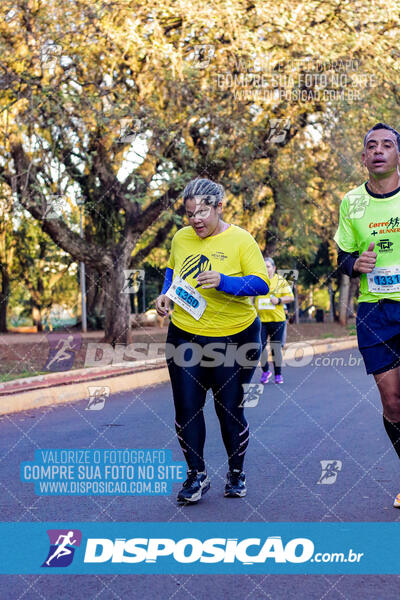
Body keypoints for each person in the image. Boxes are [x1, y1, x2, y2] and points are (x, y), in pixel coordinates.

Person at [155, 178, 269, 504]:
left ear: (220, 207)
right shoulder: (181, 238)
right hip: (186, 334)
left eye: (203, 212)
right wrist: (165, 295)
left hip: (235, 337)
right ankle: (196, 476)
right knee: (187, 408)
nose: (196, 220)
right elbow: (172, 271)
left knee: (228, 408)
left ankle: (236, 472)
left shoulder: (241, 240)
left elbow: (262, 284)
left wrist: (224, 281)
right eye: (190, 214)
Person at [334, 122, 400, 508]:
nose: (378, 150)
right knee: (392, 402)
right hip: (374, 310)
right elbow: (342, 258)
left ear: (397, 154)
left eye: (387, 145)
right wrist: (355, 263)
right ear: (363, 158)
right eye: (371, 146)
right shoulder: (351, 203)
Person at [255, 257, 294, 384]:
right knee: (259, 346)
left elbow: (290, 297)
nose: (266, 269)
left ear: (274, 268)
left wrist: (279, 300)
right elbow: (251, 297)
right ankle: (266, 371)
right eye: (264, 266)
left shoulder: (280, 281)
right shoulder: (258, 280)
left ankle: (278, 374)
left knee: (275, 348)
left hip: (277, 320)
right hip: (261, 320)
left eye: (268, 266)